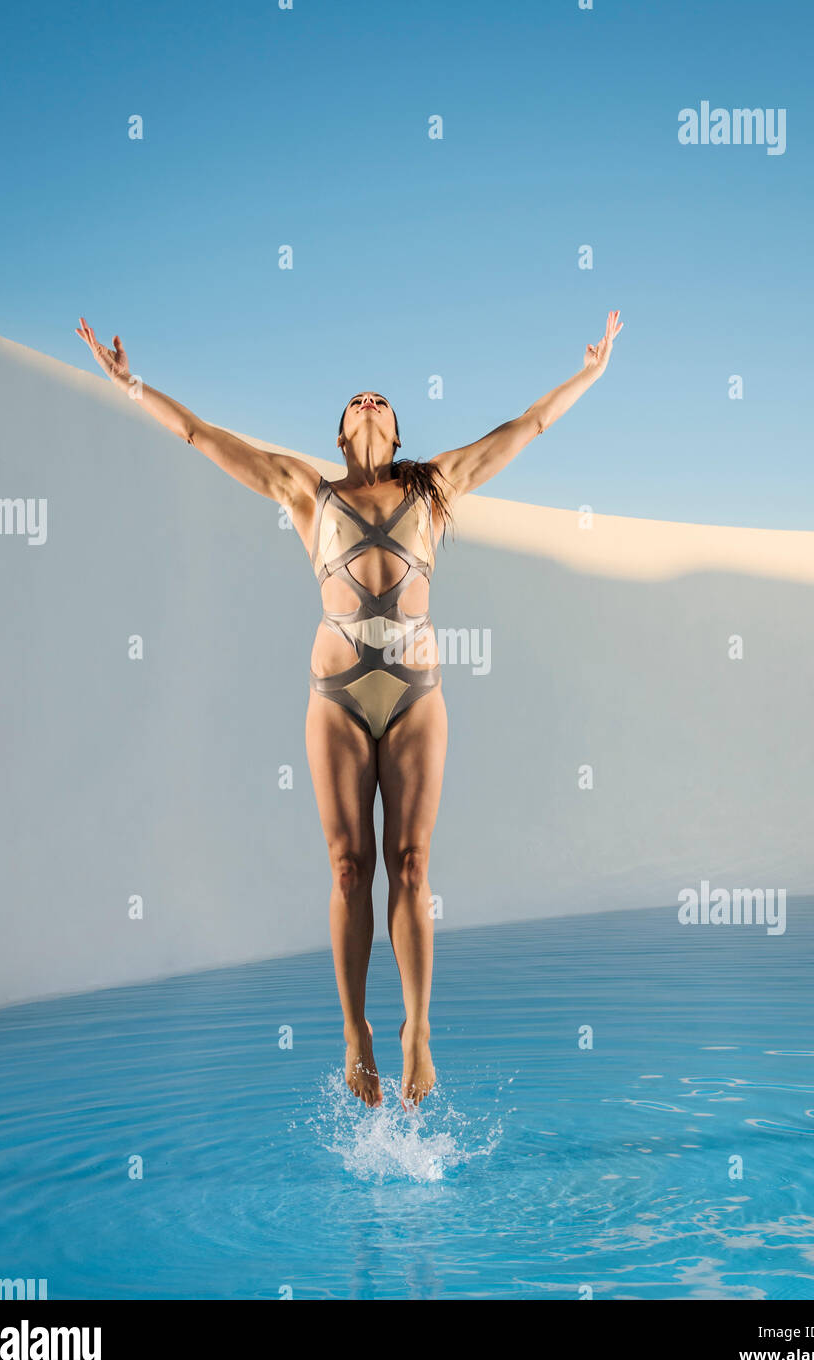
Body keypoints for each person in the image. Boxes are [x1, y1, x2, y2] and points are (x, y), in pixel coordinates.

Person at [76, 310, 624, 1107]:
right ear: (340, 433)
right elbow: (198, 435)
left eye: (381, 400)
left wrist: (590, 374)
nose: (369, 401)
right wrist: (129, 385)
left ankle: (418, 1031)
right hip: (335, 698)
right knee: (347, 867)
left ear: (396, 431)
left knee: (410, 864)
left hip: (414, 699)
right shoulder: (307, 490)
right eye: (356, 400)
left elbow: (528, 425)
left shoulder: (436, 485)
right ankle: (355, 1030)